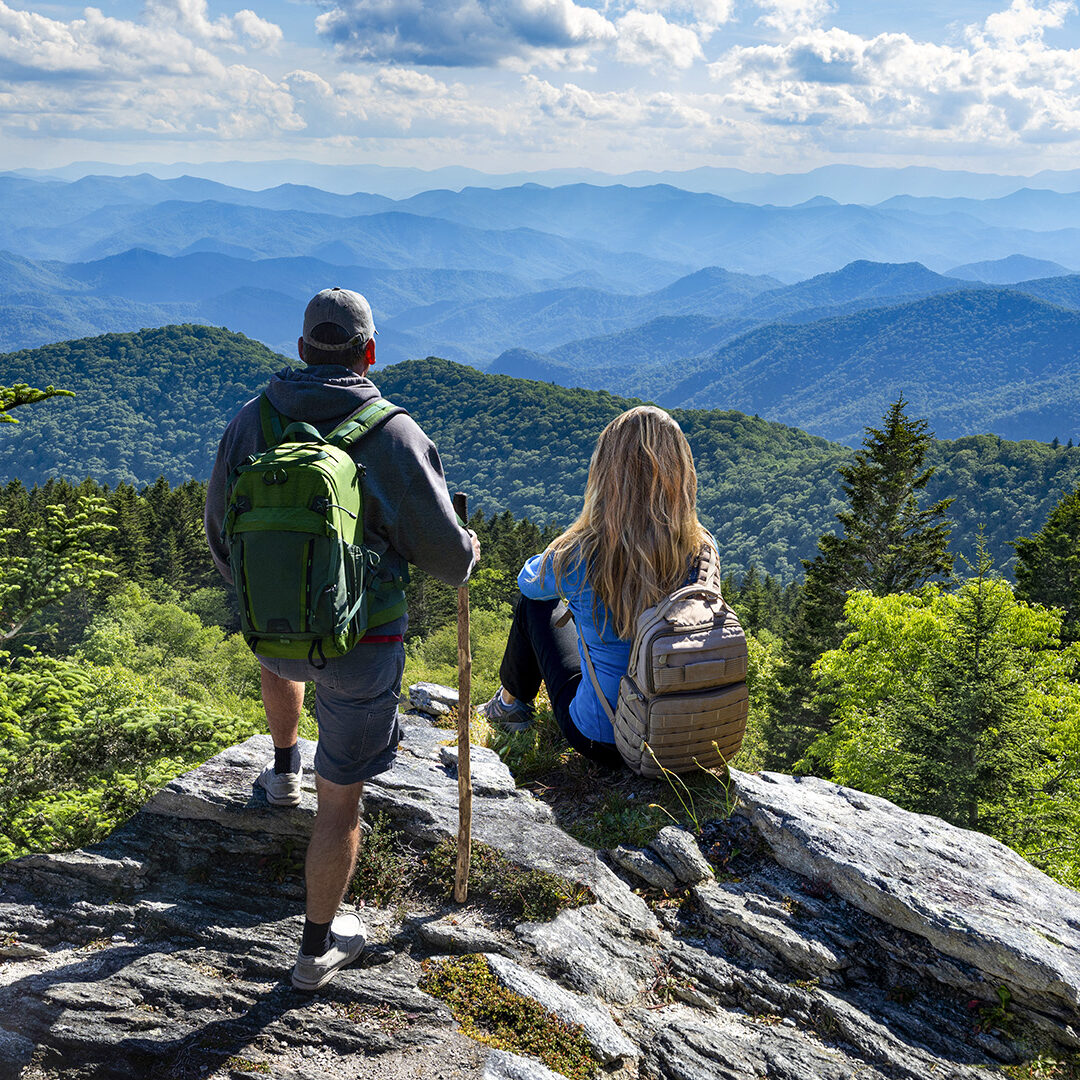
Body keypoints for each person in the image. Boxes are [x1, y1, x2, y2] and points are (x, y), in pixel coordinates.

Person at [205, 287, 478, 991]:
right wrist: (470, 545)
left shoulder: (251, 422)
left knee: (283, 648)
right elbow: (450, 561)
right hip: (364, 647)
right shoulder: (393, 434)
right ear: (370, 352)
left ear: (301, 350)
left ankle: (282, 768)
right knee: (343, 802)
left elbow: (220, 538)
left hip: (271, 636)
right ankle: (316, 949)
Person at [479, 405, 708, 765]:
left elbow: (529, 582)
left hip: (604, 736)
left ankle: (510, 706)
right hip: (682, 736)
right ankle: (509, 704)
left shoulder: (584, 553)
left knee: (536, 605)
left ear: (606, 474)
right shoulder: (700, 549)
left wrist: (573, 538)